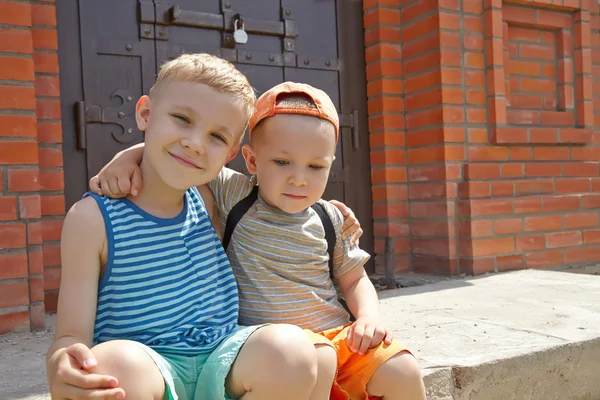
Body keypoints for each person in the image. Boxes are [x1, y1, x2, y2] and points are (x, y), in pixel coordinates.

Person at [91, 82, 426, 400]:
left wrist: (368, 318)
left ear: (330, 165)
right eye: (282, 162)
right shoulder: (236, 194)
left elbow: (354, 280)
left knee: (405, 369)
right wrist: (128, 157)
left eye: (316, 166)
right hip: (274, 350)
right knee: (319, 358)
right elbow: (186, 159)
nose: (299, 177)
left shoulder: (331, 218)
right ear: (251, 160)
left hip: (339, 336)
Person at [46, 54, 329, 400]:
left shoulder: (209, 198)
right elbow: (70, 337)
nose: (195, 142)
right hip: (148, 369)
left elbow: (280, 190)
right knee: (109, 368)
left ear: (228, 156)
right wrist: (63, 364)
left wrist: (328, 211)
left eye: (216, 137)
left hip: (223, 360)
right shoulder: (91, 220)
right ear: (145, 114)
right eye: (182, 119)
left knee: (291, 349)